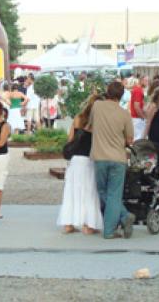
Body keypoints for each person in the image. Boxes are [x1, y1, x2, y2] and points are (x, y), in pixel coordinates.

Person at [88, 81, 135, 239]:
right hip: (118, 158)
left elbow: (91, 125)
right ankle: (119, 221)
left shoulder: (97, 107)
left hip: (99, 156)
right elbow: (130, 139)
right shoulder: (125, 114)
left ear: (107, 92)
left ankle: (121, 219)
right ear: (121, 96)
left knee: (102, 191)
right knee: (114, 194)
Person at [57, 94, 104, 235]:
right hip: (88, 160)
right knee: (89, 192)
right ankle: (88, 224)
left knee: (71, 191)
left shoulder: (78, 118)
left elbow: (70, 139)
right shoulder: (98, 122)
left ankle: (69, 223)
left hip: (75, 160)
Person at [129, 76, 148, 140]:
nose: (147, 83)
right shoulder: (138, 91)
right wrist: (143, 117)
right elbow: (136, 107)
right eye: (146, 81)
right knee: (138, 139)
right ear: (141, 80)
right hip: (137, 119)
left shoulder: (138, 89)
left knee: (138, 138)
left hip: (136, 118)